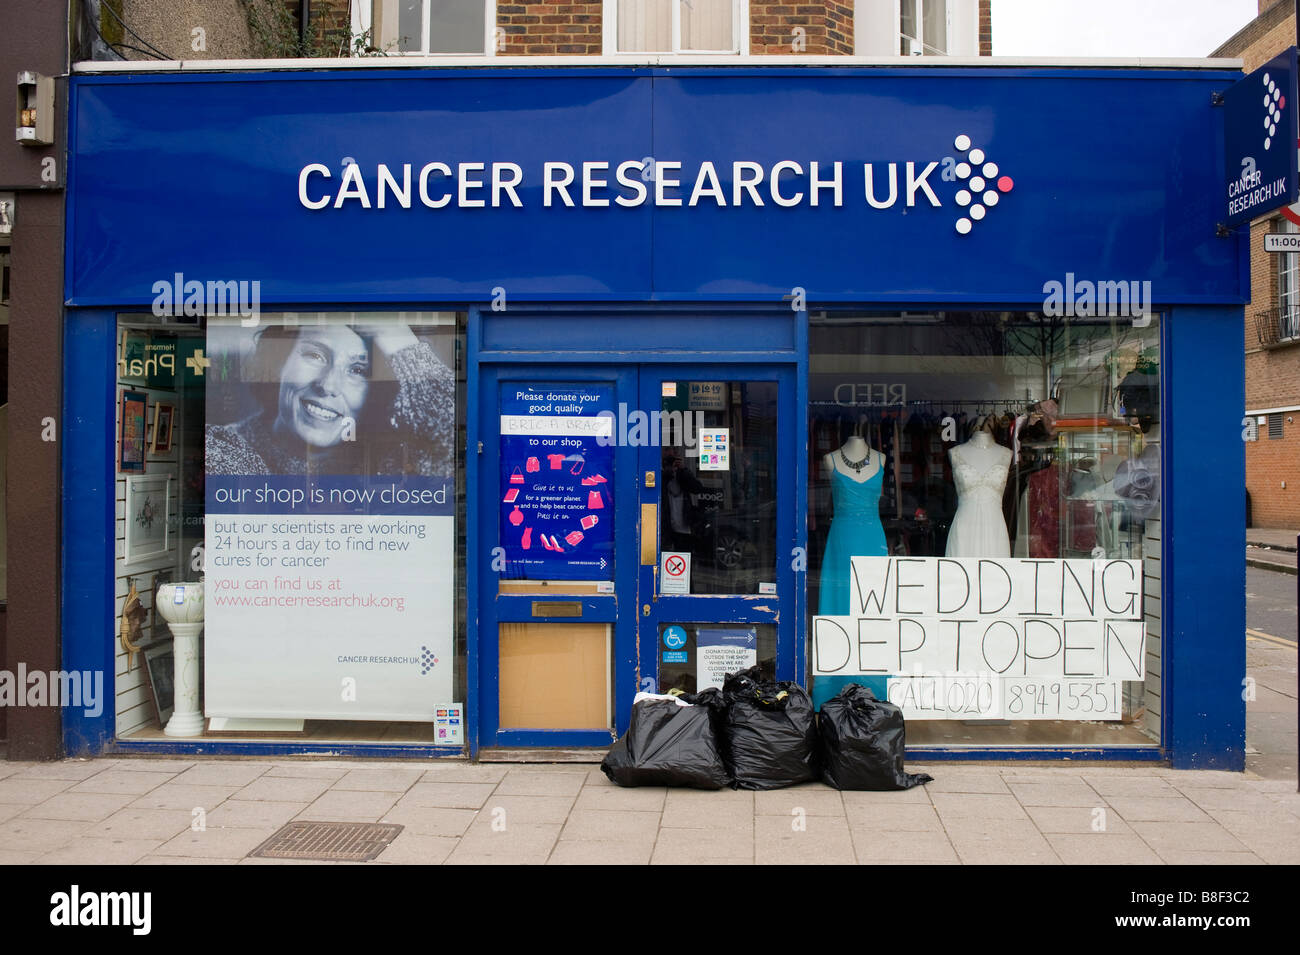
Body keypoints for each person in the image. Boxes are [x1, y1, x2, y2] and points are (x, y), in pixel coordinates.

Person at [206, 320, 453, 477]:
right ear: (278, 361)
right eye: (315, 355)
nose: (328, 385)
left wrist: (396, 336)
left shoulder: (394, 461)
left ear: (376, 393)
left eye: (358, 370)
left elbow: (452, 431)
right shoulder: (224, 447)